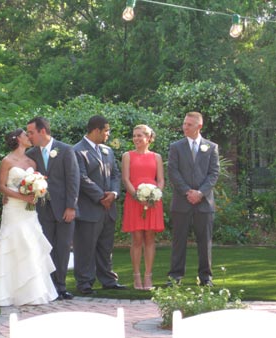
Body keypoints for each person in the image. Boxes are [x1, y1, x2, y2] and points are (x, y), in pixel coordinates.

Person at [0, 129, 58, 306]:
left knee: (30, 244)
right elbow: (2, 187)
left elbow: (37, 182)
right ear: (18, 139)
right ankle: (7, 291)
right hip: (14, 208)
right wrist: (21, 197)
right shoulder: (7, 161)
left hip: (29, 210)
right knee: (13, 242)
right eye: (26, 135)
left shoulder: (32, 161)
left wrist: (38, 191)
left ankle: (33, 291)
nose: (29, 137)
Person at [26, 117, 80, 300]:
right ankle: (47, 286)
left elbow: (73, 179)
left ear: (42, 131)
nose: (29, 136)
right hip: (41, 208)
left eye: (31, 132)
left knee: (63, 247)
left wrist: (71, 206)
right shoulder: (31, 154)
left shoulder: (65, 150)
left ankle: (61, 286)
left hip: (64, 207)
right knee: (45, 247)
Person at [73, 115, 125, 295]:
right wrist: (100, 196)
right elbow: (81, 177)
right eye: (106, 131)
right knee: (85, 247)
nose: (108, 134)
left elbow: (115, 175)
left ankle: (108, 279)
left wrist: (114, 193)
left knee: (106, 246)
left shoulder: (107, 151)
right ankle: (85, 282)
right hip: (90, 208)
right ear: (96, 130)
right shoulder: (77, 151)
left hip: (108, 208)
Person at [167, 112, 220, 287]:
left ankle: (206, 278)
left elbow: (214, 174)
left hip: (204, 203)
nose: (185, 127)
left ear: (199, 126)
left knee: (205, 242)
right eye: (184, 123)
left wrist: (200, 193)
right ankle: (175, 277)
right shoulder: (176, 147)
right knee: (178, 241)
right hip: (182, 202)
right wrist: (187, 192)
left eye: (189, 124)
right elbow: (173, 172)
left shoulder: (211, 147)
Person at [121, 124, 165, 290]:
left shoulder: (157, 157)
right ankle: (136, 276)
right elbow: (126, 179)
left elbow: (160, 180)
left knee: (149, 238)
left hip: (153, 201)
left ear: (149, 138)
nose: (136, 139)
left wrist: (155, 195)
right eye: (134, 135)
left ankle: (148, 276)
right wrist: (138, 196)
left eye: (140, 135)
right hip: (134, 200)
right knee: (137, 238)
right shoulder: (127, 155)